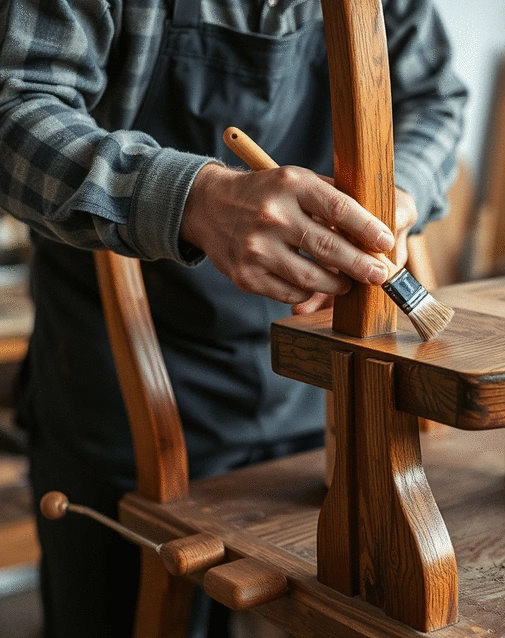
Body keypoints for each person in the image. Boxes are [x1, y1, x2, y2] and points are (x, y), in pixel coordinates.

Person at [0, 0, 467, 635]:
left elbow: (435, 98)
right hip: (121, 392)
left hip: (319, 395)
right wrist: (190, 198)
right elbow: (14, 110)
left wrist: (395, 191)